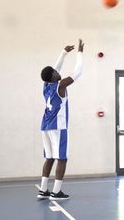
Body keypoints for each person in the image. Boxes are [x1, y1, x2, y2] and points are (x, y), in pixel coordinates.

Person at [37, 39, 84, 200]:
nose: (59, 72)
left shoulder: (47, 85)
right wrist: (79, 53)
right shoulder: (60, 85)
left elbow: (53, 69)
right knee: (62, 158)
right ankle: (57, 192)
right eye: (56, 73)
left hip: (45, 126)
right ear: (53, 77)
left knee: (49, 157)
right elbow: (77, 72)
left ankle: (43, 189)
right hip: (58, 127)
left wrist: (63, 53)